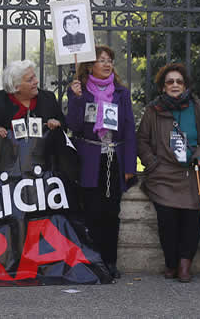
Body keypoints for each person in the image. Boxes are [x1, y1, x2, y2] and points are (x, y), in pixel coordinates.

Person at [137, 62, 200, 282]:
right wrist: (152, 164)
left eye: (179, 81)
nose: (174, 85)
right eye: (169, 81)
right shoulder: (154, 110)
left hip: (191, 172)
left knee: (191, 220)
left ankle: (184, 266)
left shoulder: (197, 107)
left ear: (185, 85)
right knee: (167, 220)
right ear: (163, 87)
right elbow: (141, 140)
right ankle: (170, 262)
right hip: (163, 174)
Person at [66, 45, 136, 280]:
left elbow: (128, 130)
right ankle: (93, 262)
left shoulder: (121, 92)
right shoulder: (80, 91)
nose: (107, 64)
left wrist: (129, 167)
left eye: (110, 60)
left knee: (111, 213)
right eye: (101, 60)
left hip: (113, 159)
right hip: (90, 160)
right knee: (92, 213)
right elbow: (74, 127)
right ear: (89, 65)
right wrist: (75, 99)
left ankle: (110, 261)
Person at [0, 59, 65, 139]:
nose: (36, 81)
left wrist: (57, 123)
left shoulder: (48, 98)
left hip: (42, 153)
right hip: (7, 153)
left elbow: (64, 125)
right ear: (16, 86)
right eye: (30, 80)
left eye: (34, 76)